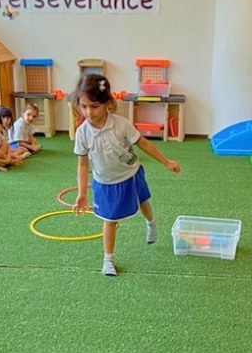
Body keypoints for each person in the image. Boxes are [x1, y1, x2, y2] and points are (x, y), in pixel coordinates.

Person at [72, 72, 181, 276]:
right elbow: (83, 164)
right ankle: (108, 260)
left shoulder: (121, 124)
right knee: (109, 220)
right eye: (84, 106)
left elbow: (144, 144)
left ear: (108, 103)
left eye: (94, 106)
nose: (88, 112)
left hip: (131, 174)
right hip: (105, 183)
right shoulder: (82, 133)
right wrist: (82, 193)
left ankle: (151, 224)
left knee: (143, 201)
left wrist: (166, 162)